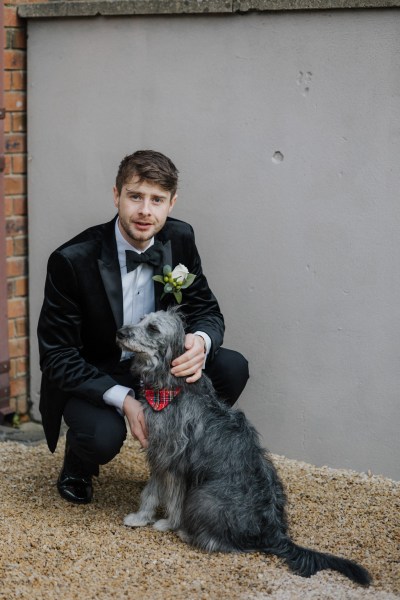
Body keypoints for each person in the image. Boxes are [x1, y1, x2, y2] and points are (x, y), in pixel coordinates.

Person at [37, 150, 249, 504]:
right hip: (97, 371)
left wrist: (199, 341)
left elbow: (206, 309)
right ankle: (79, 461)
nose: (145, 211)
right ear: (116, 195)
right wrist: (127, 403)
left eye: (157, 200)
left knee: (231, 366)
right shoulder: (70, 260)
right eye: (135, 196)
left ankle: (177, 457)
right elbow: (57, 356)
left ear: (172, 202)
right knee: (101, 436)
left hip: (156, 368)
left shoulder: (180, 238)